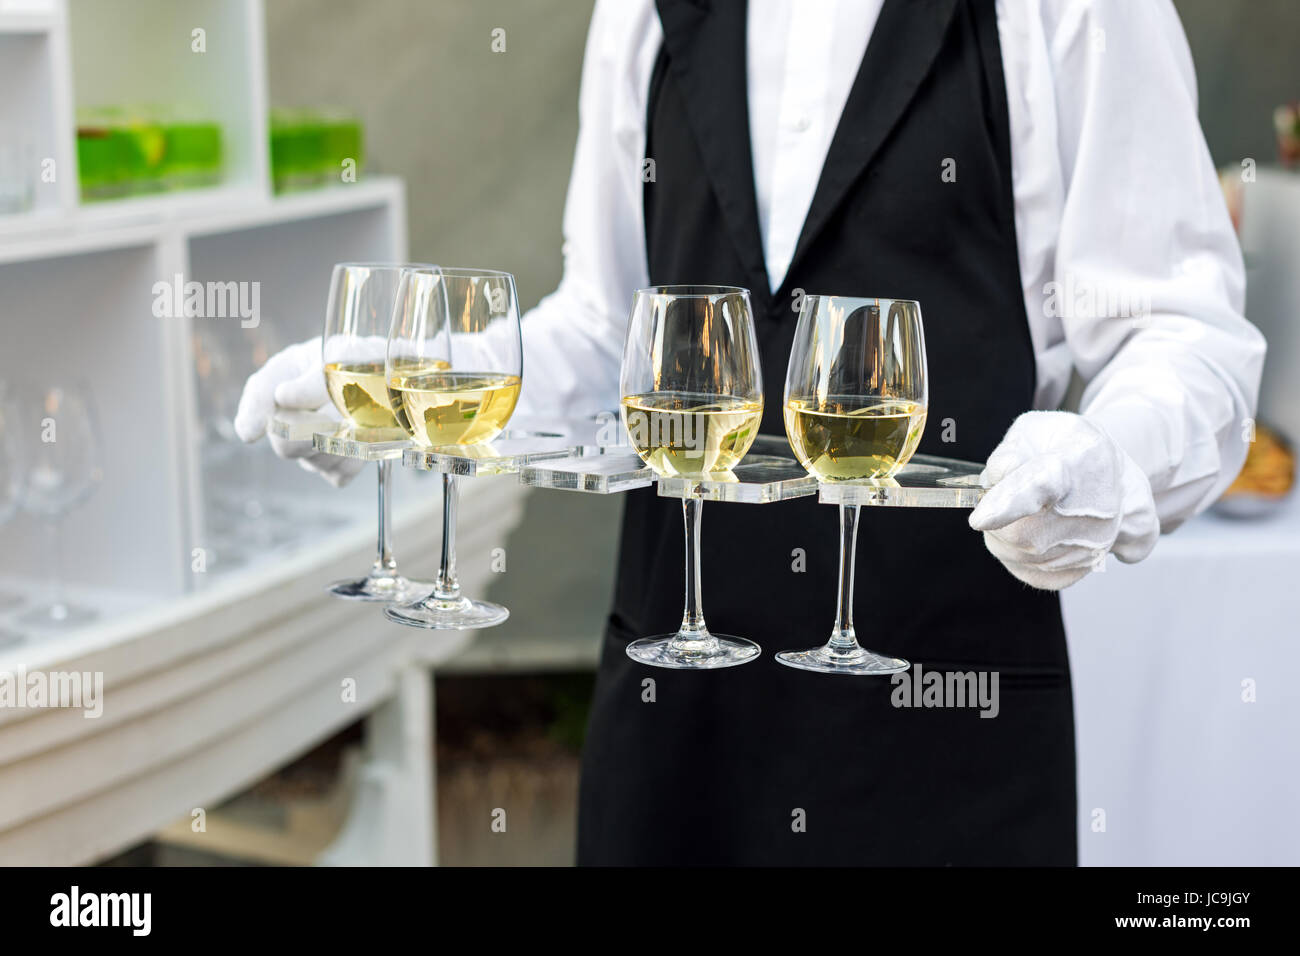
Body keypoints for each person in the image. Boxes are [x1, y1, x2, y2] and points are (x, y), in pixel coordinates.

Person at [237, 0, 1265, 865]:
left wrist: (1111, 456)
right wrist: (394, 381)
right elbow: (603, 326)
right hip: (672, 717)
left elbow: (1179, 330)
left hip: (945, 722)